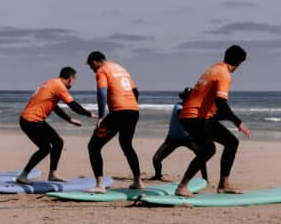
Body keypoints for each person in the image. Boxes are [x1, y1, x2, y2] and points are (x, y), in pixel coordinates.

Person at [175, 45, 251, 197]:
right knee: (209, 150)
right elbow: (221, 104)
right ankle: (182, 186)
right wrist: (238, 122)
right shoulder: (224, 74)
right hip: (193, 117)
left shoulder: (214, 68)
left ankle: (223, 184)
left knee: (231, 142)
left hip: (200, 116)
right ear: (238, 63)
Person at [16, 67, 96, 184]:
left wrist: (69, 119)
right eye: (74, 80)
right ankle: (23, 176)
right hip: (31, 121)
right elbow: (73, 106)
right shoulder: (59, 86)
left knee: (57, 142)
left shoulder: (50, 83)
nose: (73, 83)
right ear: (70, 79)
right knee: (45, 148)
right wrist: (90, 114)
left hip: (30, 120)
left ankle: (52, 174)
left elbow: (55, 107)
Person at [84, 51, 144, 193]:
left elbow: (102, 93)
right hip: (133, 111)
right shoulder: (122, 69)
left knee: (93, 146)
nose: (93, 71)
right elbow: (136, 92)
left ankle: (100, 185)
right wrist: (129, 104)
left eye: (92, 67)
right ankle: (138, 181)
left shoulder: (102, 70)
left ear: (95, 62)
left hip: (118, 113)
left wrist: (101, 116)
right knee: (126, 145)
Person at [151, 87, 208, 182]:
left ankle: (205, 179)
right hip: (172, 139)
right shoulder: (178, 106)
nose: (186, 99)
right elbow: (182, 114)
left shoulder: (194, 109)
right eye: (185, 97)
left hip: (188, 138)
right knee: (156, 159)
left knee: (201, 156)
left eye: (189, 97)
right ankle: (158, 176)